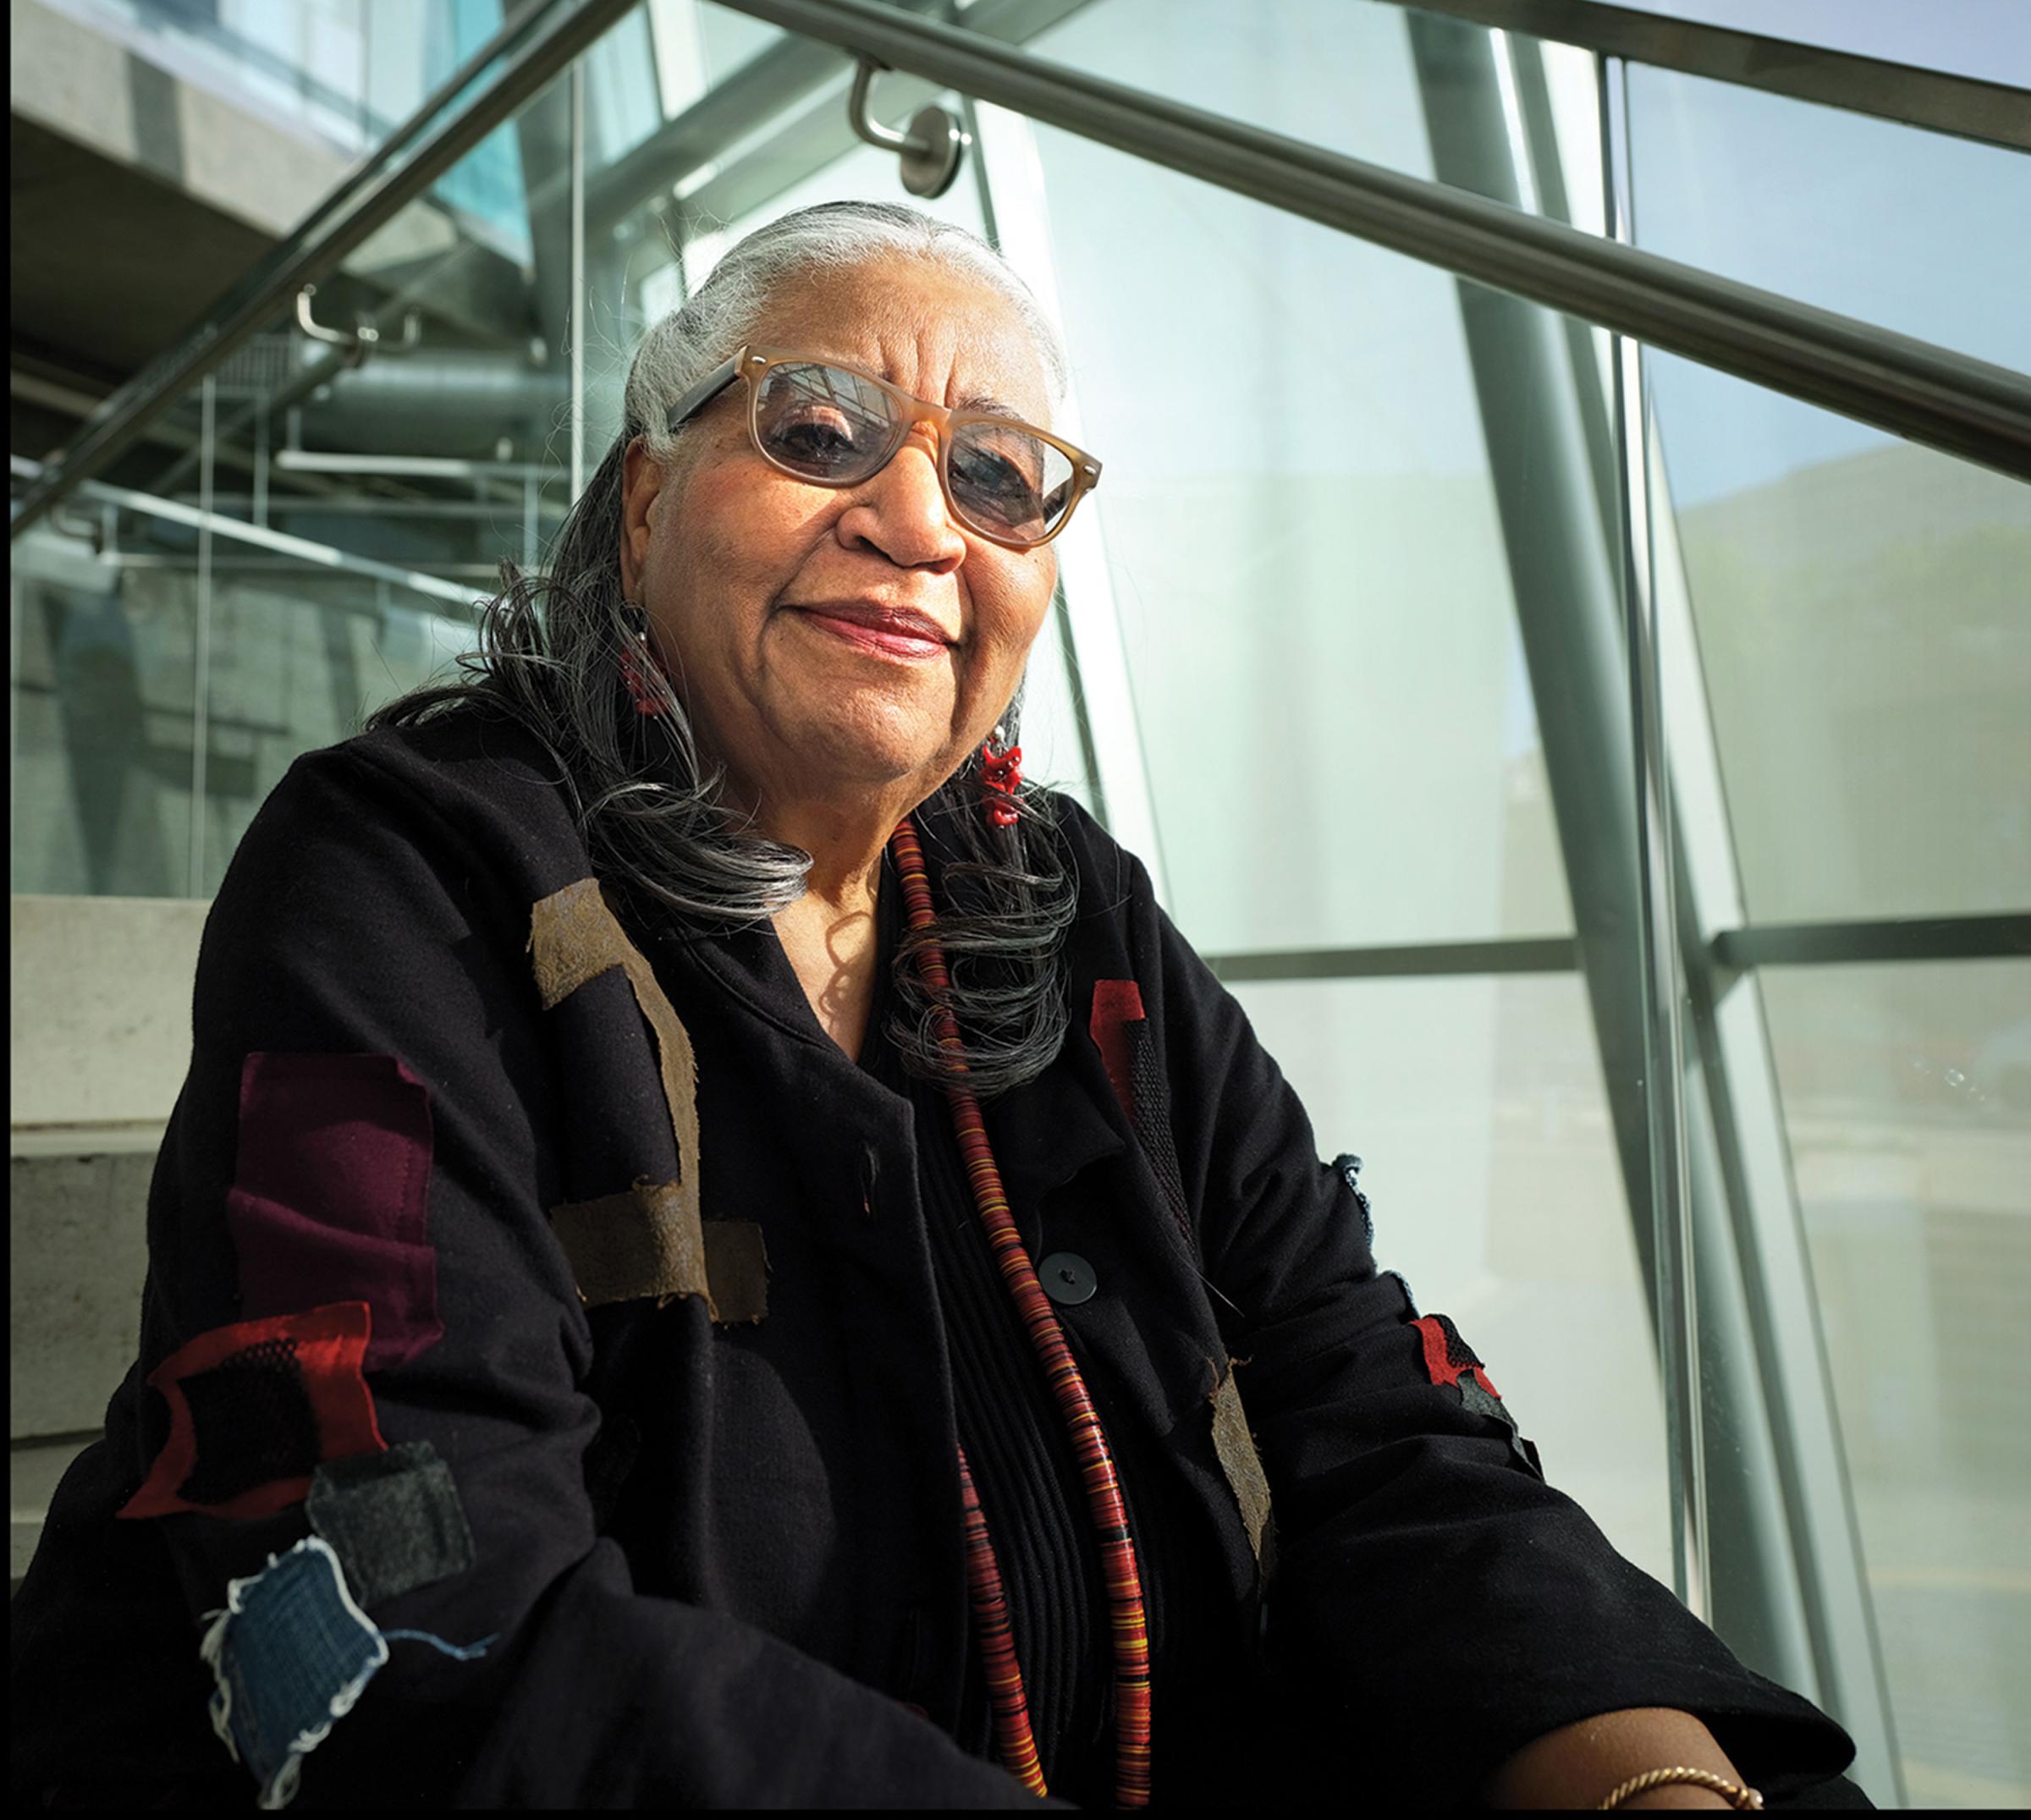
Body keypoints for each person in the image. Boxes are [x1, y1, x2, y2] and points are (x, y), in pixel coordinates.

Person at [11, 201, 1865, 1811]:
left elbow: (1369, 1419)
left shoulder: (1077, 918)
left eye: (998, 477)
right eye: (820, 428)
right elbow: (418, 1590)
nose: (916, 518)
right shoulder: (410, 867)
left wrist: (1659, 1780)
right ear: (645, 500)